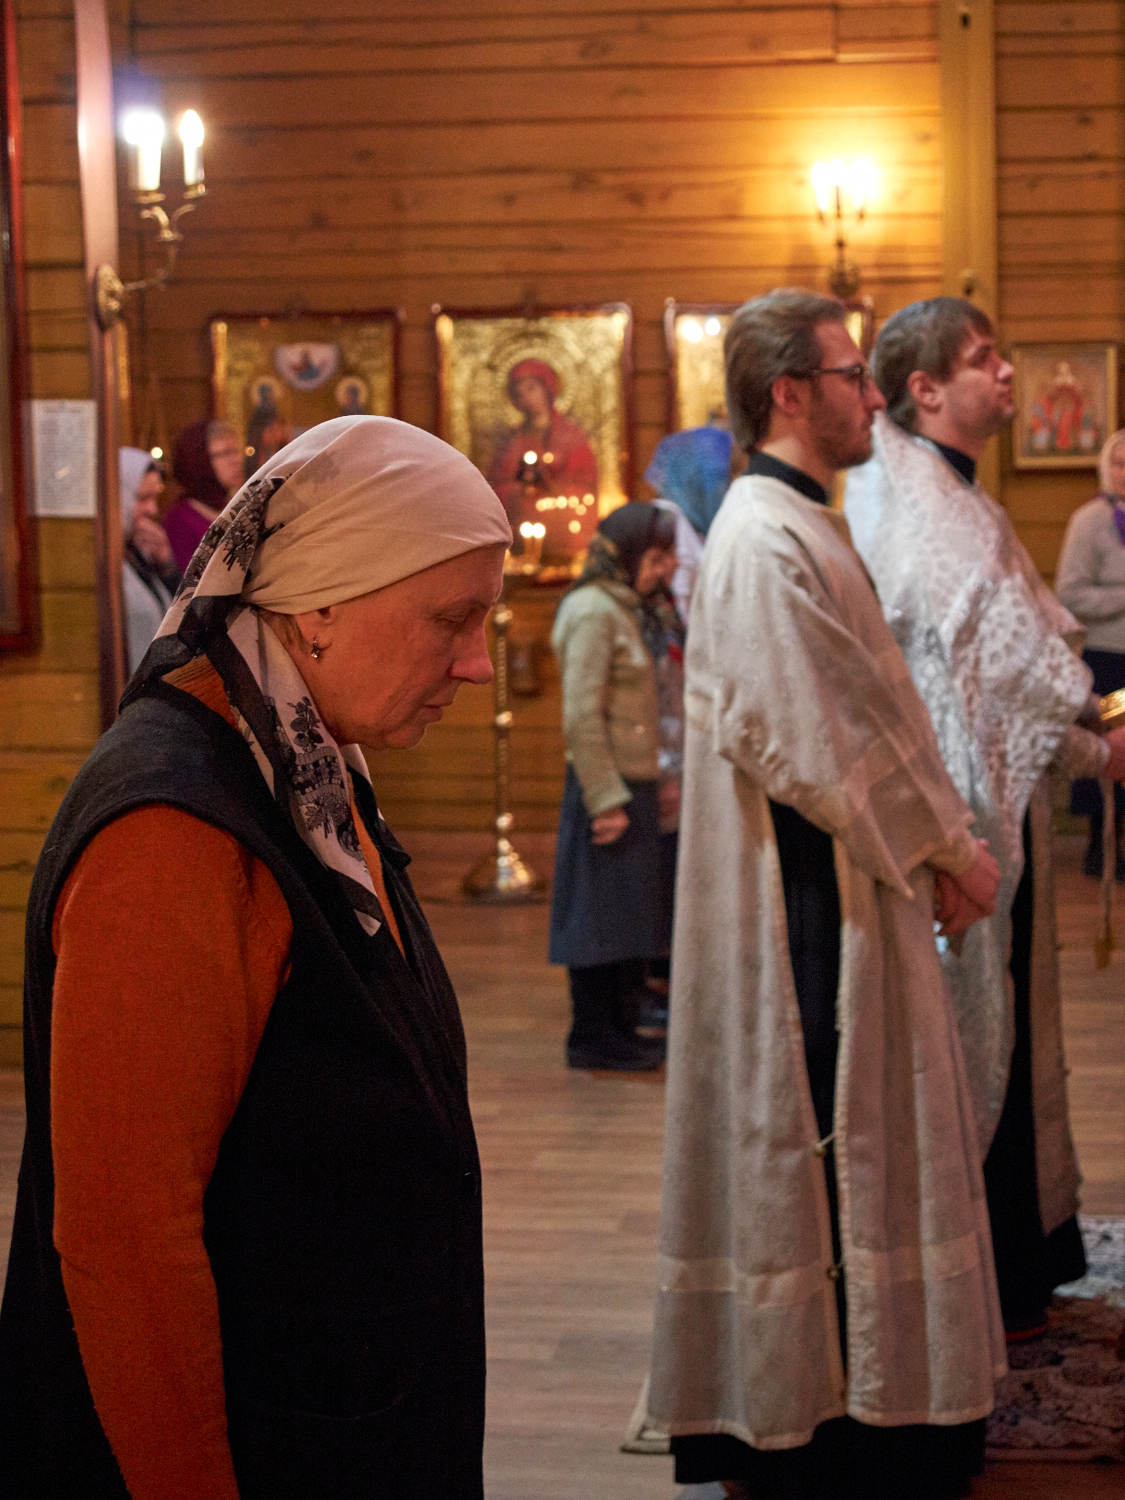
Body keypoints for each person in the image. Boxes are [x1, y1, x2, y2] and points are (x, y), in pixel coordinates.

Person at [0, 417, 511, 1499]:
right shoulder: (173, 832)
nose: (478, 663)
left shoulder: (304, 764)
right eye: (452, 620)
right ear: (319, 606)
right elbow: (126, 1249)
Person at [648, 290, 1006, 1500]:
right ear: (790, 393)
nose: (873, 396)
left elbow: (866, 711)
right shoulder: (763, 539)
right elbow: (822, 739)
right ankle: (825, 1420)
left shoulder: (806, 520)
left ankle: (879, 1398)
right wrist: (948, 848)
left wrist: (942, 840)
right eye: (854, 376)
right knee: (819, 1139)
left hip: (859, 878)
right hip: (811, 900)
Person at [844, 298, 1125, 1341]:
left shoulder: (955, 489)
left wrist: (1088, 723)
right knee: (973, 1024)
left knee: (1011, 1013)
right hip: (961, 808)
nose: (1005, 373)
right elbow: (1010, 672)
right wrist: (1098, 744)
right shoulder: (920, 503)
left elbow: (1028, 647)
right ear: (924, 390)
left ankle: (1021, 1257)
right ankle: (984, 1277)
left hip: (999, 792)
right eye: (982, 358)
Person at [548, 501, 680, 1071]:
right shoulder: (592, 610)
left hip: (637, 785)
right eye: (655, 557)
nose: (666, 568)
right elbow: (581, 714)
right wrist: (605, 799)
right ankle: (594, 1036)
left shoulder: (631, 608)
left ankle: (623, 1026)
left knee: (629, 916)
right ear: (624, 555)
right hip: (607, 789)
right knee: (598, 919)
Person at [1054, 426, 1125, 880]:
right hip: (1110, 660)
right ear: (1106, 467)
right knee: (1111, 747)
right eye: (1119, 463)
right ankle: (1101, 846)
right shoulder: (1089, 521)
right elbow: (1070, 593)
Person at [486, 359, 599, 556]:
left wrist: (550, 489)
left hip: (562, 533)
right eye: (519, 394)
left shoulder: (572, 436)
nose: (526, 398)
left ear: (547, 388)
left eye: (531, 388)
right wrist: (518, 492)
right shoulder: (510, 441)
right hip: (518, 534)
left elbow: (585, 488)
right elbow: (495, 487)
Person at [646, 424, 734, 622]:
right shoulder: (667, 520)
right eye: (716, 479)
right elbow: (681, 609)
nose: (721, 488)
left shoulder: (691, 522)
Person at [119, 447, 180, 675]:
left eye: (155, 498)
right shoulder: (108, 560)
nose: (152, 509)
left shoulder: (138, 553)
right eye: (142, 498)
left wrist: (166, 566)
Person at [164, 419, 245, 572]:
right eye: (226, 453)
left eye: (236, 451)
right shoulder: (180, 520)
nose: (237, 460)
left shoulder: (234, 505)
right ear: (200, 461)